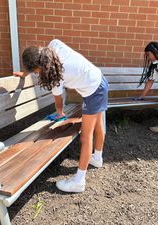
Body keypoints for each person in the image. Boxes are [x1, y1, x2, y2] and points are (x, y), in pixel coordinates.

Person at [13, 39, 108, 192]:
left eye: (36, 72)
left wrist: (60, 113)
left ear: (41, 67)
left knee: (86, 136)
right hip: (100, 80)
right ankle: (97, 158)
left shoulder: (57, 77)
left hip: (93, 92)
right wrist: (25, 73)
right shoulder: (54, 45)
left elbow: (59, 105)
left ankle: (79, 182)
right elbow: (39, 58)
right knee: (98, 125)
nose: (37, 74)